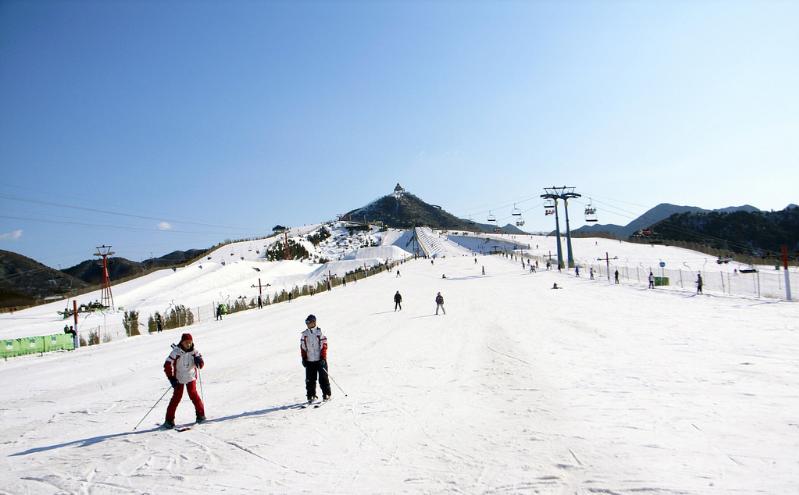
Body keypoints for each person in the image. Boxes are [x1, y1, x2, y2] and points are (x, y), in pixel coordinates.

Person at [163, 333, 205, 428]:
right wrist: (171, 378)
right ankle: (169, 420)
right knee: (176, 398)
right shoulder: (176, 352)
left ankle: (201, 415)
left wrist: (199, 361)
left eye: (190, 342)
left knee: (194, 395)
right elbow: (167, 365)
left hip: (191, 377)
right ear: (182, 342)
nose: (188, 344)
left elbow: (201, 365)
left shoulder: (194, 352)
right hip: (179, 379)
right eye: (186, 342)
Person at [300, 314, 331, 404]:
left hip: (320, 360)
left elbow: (324, 345)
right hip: (310, 360)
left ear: (314, 322)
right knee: (310, 379)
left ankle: (326, 394)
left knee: (323, 378)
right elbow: (303, 347)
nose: (307, 324)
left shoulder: (320, 333)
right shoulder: (304, 334)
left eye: (308, 322)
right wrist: (304, 358)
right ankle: (311, 395)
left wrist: (323, 357)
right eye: (306, 323)